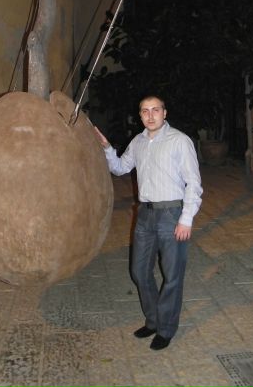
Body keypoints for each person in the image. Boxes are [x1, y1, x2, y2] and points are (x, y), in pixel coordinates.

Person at [94, 95, 202, 351]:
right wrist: (106, 147)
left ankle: (166, 328)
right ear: (140, 115)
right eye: (145, 111)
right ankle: (153, 320)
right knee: (139, 271)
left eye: (155, 110)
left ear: (165, 113)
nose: (150, 115)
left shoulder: (179, 141)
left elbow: (194, 183)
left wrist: (186, 219)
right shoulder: (138, 142)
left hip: (172, 213)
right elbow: (120, 168)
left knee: (172, 276)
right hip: (145, 214)